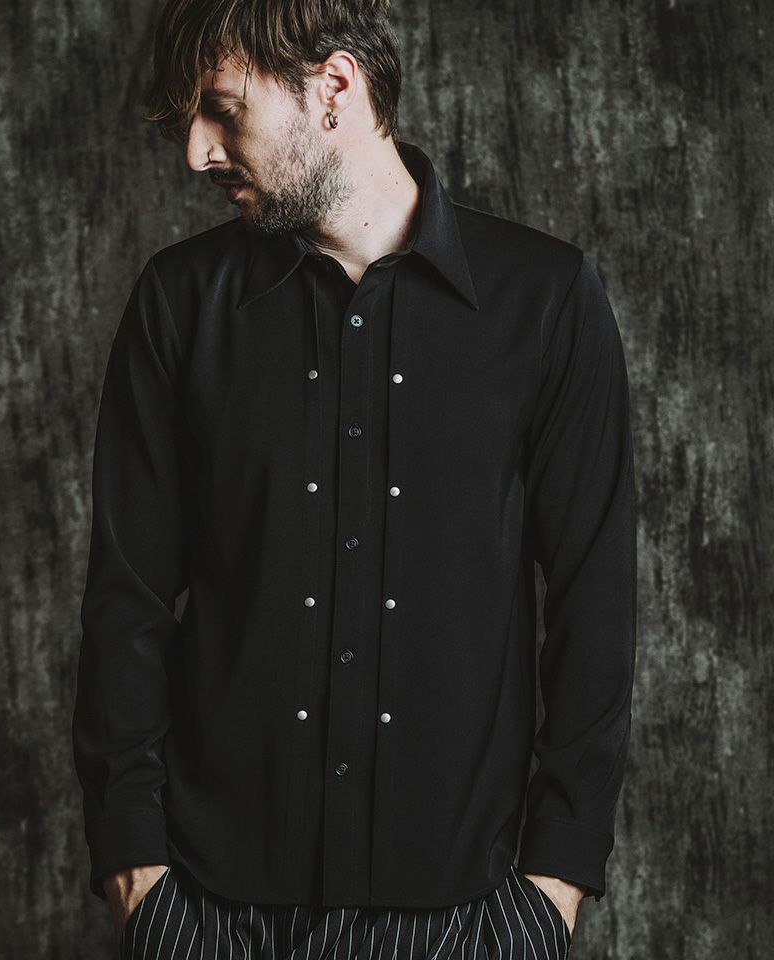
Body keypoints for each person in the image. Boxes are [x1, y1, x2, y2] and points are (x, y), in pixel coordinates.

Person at [71, 1, 637, 957]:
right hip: (208, 911)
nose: (198, 154)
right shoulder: (178, 304)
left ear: (334, 85)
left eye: (221, 110)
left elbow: (595, 602)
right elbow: (125, 599)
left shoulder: (546, 301)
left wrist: (554, 888)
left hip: (466, 916)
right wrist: (137, 875)